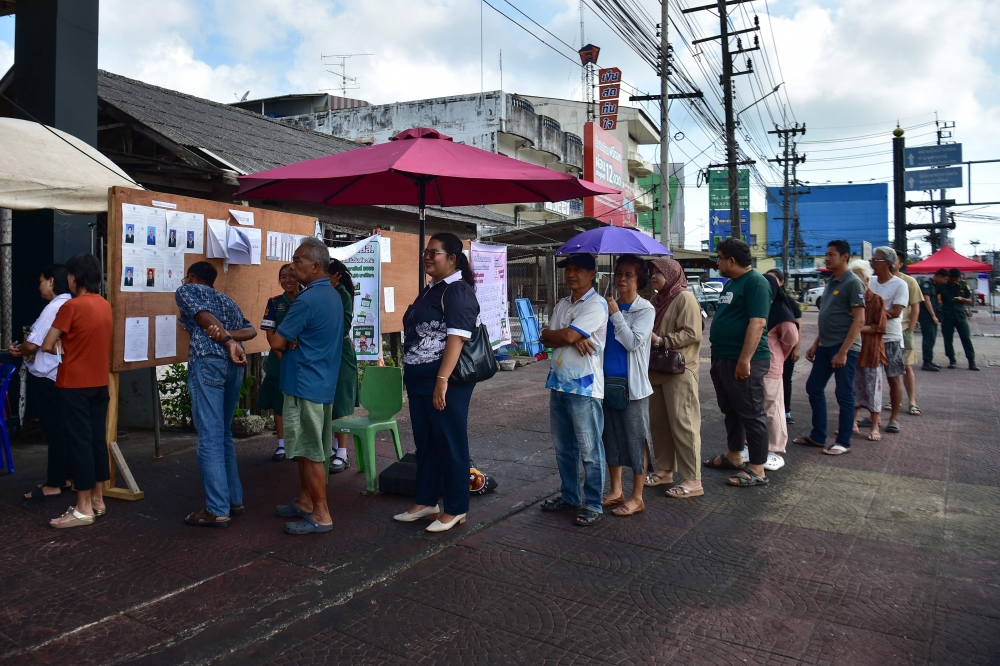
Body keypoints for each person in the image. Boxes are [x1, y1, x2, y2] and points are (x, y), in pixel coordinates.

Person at [395, 233, 480, 533]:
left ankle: (456, 508)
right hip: (420, 379)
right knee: (426, 442)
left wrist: (442, 380)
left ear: (453, 258)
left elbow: (457, 338)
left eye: (435, 252)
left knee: (449, 441)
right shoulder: (430, 289)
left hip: (446, 381)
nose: (428, 257)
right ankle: (427, 500)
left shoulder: (456, 291)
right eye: (425, 251)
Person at [270, 237, 343, 535]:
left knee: (311, 451)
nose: (293, 265)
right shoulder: (331, 295)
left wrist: (287, 339)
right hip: (319, 381)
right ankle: (305, 501)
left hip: (304, 383)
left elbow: (276, 340)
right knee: (305, 449)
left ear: (315, 266)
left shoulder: (306, 299)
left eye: (298, 260)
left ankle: (321, 514)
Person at [175, 261, 256, 528]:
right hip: (234, 366)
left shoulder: (187, 291)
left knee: (209, 435)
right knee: (222, 433)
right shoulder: (227, 300)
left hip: (209, 360)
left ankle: (217, 509)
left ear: (193, 277)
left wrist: (223, 337)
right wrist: (232, 336)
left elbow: (202, 317)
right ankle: (234, 499)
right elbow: (251, 330)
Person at [39, 254, 112, 528]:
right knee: (96, 440)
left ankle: (82, 508)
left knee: (79, 443)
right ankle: (97, 499)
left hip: (74, 384)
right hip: (98, 383)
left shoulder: (71, 306)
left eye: (69, 275)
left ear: (75, 277)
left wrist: (61, 346)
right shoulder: (104, 305)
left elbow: (47, 344)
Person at [539, 253, 609, 526]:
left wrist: (568, 336)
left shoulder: (597, 304)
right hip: (558, 384)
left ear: (592, 274)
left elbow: (564, 336)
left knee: (590, 450)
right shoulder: (563, 303)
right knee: (563, 448)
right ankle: (569, 496)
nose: (571, 274)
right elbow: (546, 336)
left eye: (578, 270)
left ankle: (593, 503)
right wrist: (568, 336)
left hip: (585, 389)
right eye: (568, 269)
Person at [703, 238, 772, 488]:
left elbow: (758, 323)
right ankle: (734, 455)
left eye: (719, 258)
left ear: (731, 260)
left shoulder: (756, 283)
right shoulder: (732, 283)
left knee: (752, 413)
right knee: (731, 409)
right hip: (723, 357)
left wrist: (745, 361)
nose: (717, 262)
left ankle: (757, 468)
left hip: (743, 360)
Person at [594, 255, 654, 517]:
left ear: (639, 280)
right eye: (619, 273)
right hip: (607, 383)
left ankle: (637, 497)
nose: (622, 279)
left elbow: (632, 342)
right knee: (612, 439)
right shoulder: (608, 306)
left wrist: (616, 315)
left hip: (633, 387)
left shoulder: (645, 310)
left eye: (629, 275)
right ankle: (616, 490)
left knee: (635, 439)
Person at [793, 240, 865, 454]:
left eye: (831, 254)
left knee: (844, 394)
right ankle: (818, 436)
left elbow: (859, 320)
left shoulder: (853, 282)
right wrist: (816, 344)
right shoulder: (831, 282)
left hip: (844, 349)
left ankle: (843, 442)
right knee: (813, 387)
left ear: (845, 257)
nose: (827, 257)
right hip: (825, 346)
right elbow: (827, 317)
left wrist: (843, 351)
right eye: (826, 254)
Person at [8, 265, 73, 500]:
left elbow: (34, 344)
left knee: (54, 430)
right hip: (62, 374)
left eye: (41, 281)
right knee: (63, 429)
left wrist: (18, 350)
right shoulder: (71, 304)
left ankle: (54, 482)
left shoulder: (54, 307)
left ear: (52, 282)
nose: (39, 286)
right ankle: (65, 476)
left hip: (47, 375)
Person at [646, 257, 703, 499]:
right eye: (652, 272)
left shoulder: (684, 298)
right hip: (657, 369)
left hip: (679, 369)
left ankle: (693, 480)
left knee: (684, 424)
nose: (653, 276)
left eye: (659, 272)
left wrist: (661, 340)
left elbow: (692, 332)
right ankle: (665, 470)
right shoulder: (656, 300)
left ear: (671, 274)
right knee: (659, 424)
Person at [866, 247, 909, 434]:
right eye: (872, 259)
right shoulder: (870, 282)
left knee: (893, 379)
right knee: (870, 380)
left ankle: (894, 418)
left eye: (876, 260)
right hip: (871, 336)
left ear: (888, 263)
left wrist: (870, 314)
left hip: (891, 338)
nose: (872, 263)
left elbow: (896, 312)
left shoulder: (900, 284)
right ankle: (872, 415)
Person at [259, 264, 299, 462]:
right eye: (282, 277)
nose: (287, 280)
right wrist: (281, 355)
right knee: (279, 400)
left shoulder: (307, 299)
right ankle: (282, 445)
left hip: (302, 359)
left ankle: (300, 443)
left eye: (292, 275)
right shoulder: (274, 303)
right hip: (280, 359)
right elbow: (270, 333)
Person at [762, 272, 799, 470]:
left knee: (773, 408)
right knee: (756, 408)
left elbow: (791, 340)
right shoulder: (759, 306)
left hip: (771, 365)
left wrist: (778, 355)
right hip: (755, 365)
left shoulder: (782, 311)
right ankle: (755, 446)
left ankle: (775, 449)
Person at [849, 260, 887, 442]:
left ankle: (874, 426)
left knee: (873, 391)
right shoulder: (850, 298)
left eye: (857, 277)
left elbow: (879, 327)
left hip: (871, 352)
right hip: (853, 350)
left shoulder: (876, 299)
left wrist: (857, 327)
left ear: (866, 279)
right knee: (853, 389)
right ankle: (853, 423)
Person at [328, 258, 359, 473]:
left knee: (340, 403)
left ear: (335, 277)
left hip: (341, 353)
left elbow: (342, 326)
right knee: (327, 401)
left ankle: (342, 452)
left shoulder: (342, 295)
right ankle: (331, 448)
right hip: (326, 353)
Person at [766, 269, 802, 425]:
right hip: (768, 359)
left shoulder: (787, 303)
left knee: (785, 380)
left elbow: (794, 331)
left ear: (781, 282)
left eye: (774, 280)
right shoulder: (762, 303)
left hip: (780, 354)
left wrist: (794, 349)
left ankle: (786, 411)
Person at [893, 256, 924, 415]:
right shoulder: (879, 280)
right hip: (888, 331)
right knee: (892, 369)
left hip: (904, 329)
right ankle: (895, 401)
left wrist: (910, 330)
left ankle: (912, 401)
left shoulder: (909, 281)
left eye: (893, 260)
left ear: (901, 263)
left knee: (907, 366)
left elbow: (915, 307)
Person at [939, 267, 979, 371]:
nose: (954, 281)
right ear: (949, 277)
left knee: (965, 337)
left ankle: (971, 361)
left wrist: (962, 299)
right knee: (948, 339)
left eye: (956, 279)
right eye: (952, 279)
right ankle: (952, 360)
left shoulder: (963, 285)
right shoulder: (943, 285)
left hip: (960, 315)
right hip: (947, 315)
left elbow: (970, 301)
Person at [919, 270, 945, 371]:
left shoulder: (934, 286)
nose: (944, 281)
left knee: (932, 338)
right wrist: (933, 316)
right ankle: (926, 362)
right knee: (928, 338)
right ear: (939, 276)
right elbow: (926, 300)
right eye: (944, 278)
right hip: (927, 316)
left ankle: (929, 360)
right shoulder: (927, 285)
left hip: (931, 316)